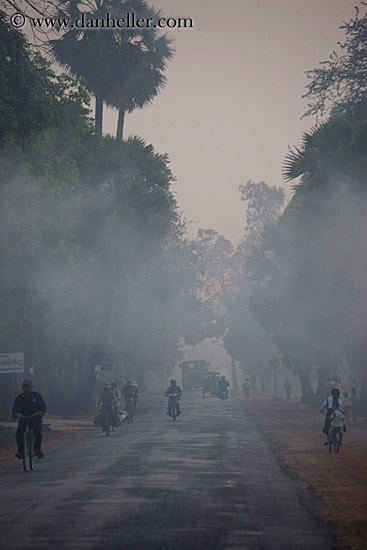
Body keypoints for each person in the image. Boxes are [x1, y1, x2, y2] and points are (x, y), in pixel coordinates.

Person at [12, 379, 46, 459]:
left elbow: (42, 406)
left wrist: (41, 412)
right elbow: (15, 408)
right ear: (22, 388)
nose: (26, 388)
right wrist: (15, 414)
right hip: (24, 418)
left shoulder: (37, 396)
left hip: (35, 418)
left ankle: (37, 449)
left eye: (28, 386)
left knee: (38, 432)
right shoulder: (19, 398)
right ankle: (20, 451)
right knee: (19, 433)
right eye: (24, 387)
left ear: (31, 387)